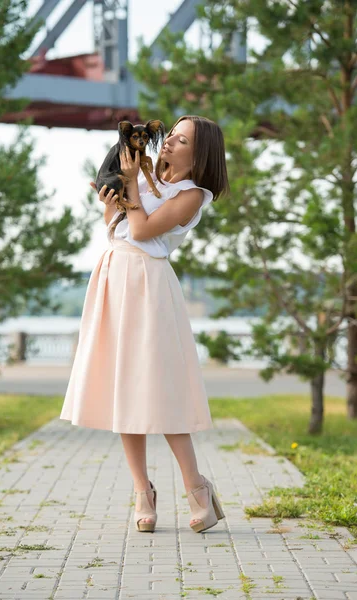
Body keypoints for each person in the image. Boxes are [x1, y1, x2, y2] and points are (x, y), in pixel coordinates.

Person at [60, 115, 230, 534]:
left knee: (161, 389)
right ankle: (142, 492)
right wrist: (110, 196)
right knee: (124, 390)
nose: (168, 142)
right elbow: (114, 227)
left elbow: (142, 228)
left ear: (200, 151)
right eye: (169, 134)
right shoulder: (143, 171)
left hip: (149, 286)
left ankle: (197, 489)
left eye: (181, 139)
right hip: (113, 276)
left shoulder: (193, 195)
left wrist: (131, 187)